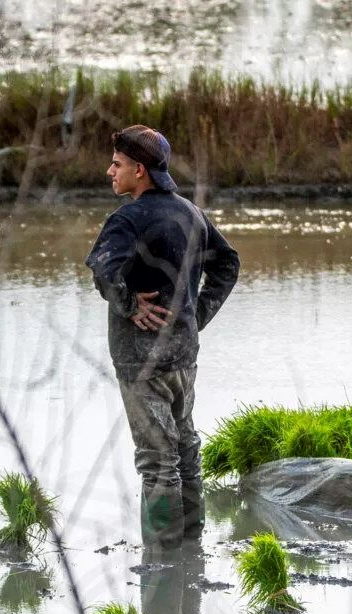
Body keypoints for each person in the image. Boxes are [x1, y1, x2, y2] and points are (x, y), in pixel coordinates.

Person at [85, 125, 239, 549]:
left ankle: (162, 559)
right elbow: (228, 264)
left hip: (141, 362)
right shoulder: (190, 212)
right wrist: (196, 315)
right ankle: (192, 548)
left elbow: (102, 270)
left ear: (139, 169)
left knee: (157, 461)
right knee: (185, 447)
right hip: (183, 356)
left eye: (116, 164)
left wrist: (131, 306)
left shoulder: (126, 219)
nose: (109, 171)